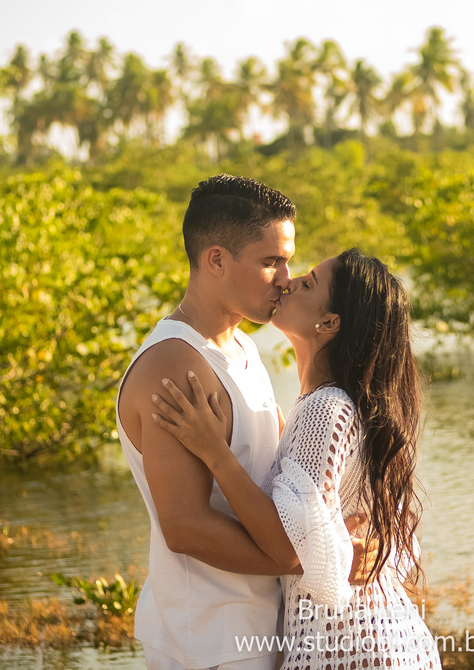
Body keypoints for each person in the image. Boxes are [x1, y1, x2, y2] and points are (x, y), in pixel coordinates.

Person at [115, 176, 377, 670]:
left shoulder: (243, 349)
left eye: (287, 260)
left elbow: (279, 484)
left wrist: (335, 540)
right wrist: (302, 559)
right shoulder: (173, 365)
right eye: (269, 262)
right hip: (209, 642)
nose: (285, 277)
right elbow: (185, 527)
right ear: (216, 260)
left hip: (266, 634)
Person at [150, 248, 442, 670]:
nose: (287, 282)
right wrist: (339, 547)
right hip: (377, 641)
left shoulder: (326, 410)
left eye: (307, 283)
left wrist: (215, 452)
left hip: (352, 647)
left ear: (328, 323)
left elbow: (287, 542)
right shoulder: (334, 405)